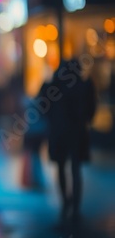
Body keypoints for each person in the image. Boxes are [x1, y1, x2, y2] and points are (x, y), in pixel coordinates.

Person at [45, 58, 97, 226]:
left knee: (62, 168)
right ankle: (74, 207)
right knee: (75, 170)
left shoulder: (56, 85)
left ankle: (67, 204)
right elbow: (91, 109)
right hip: (76, 132)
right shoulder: (83, 85)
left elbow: (43, 106)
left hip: (60, 132)